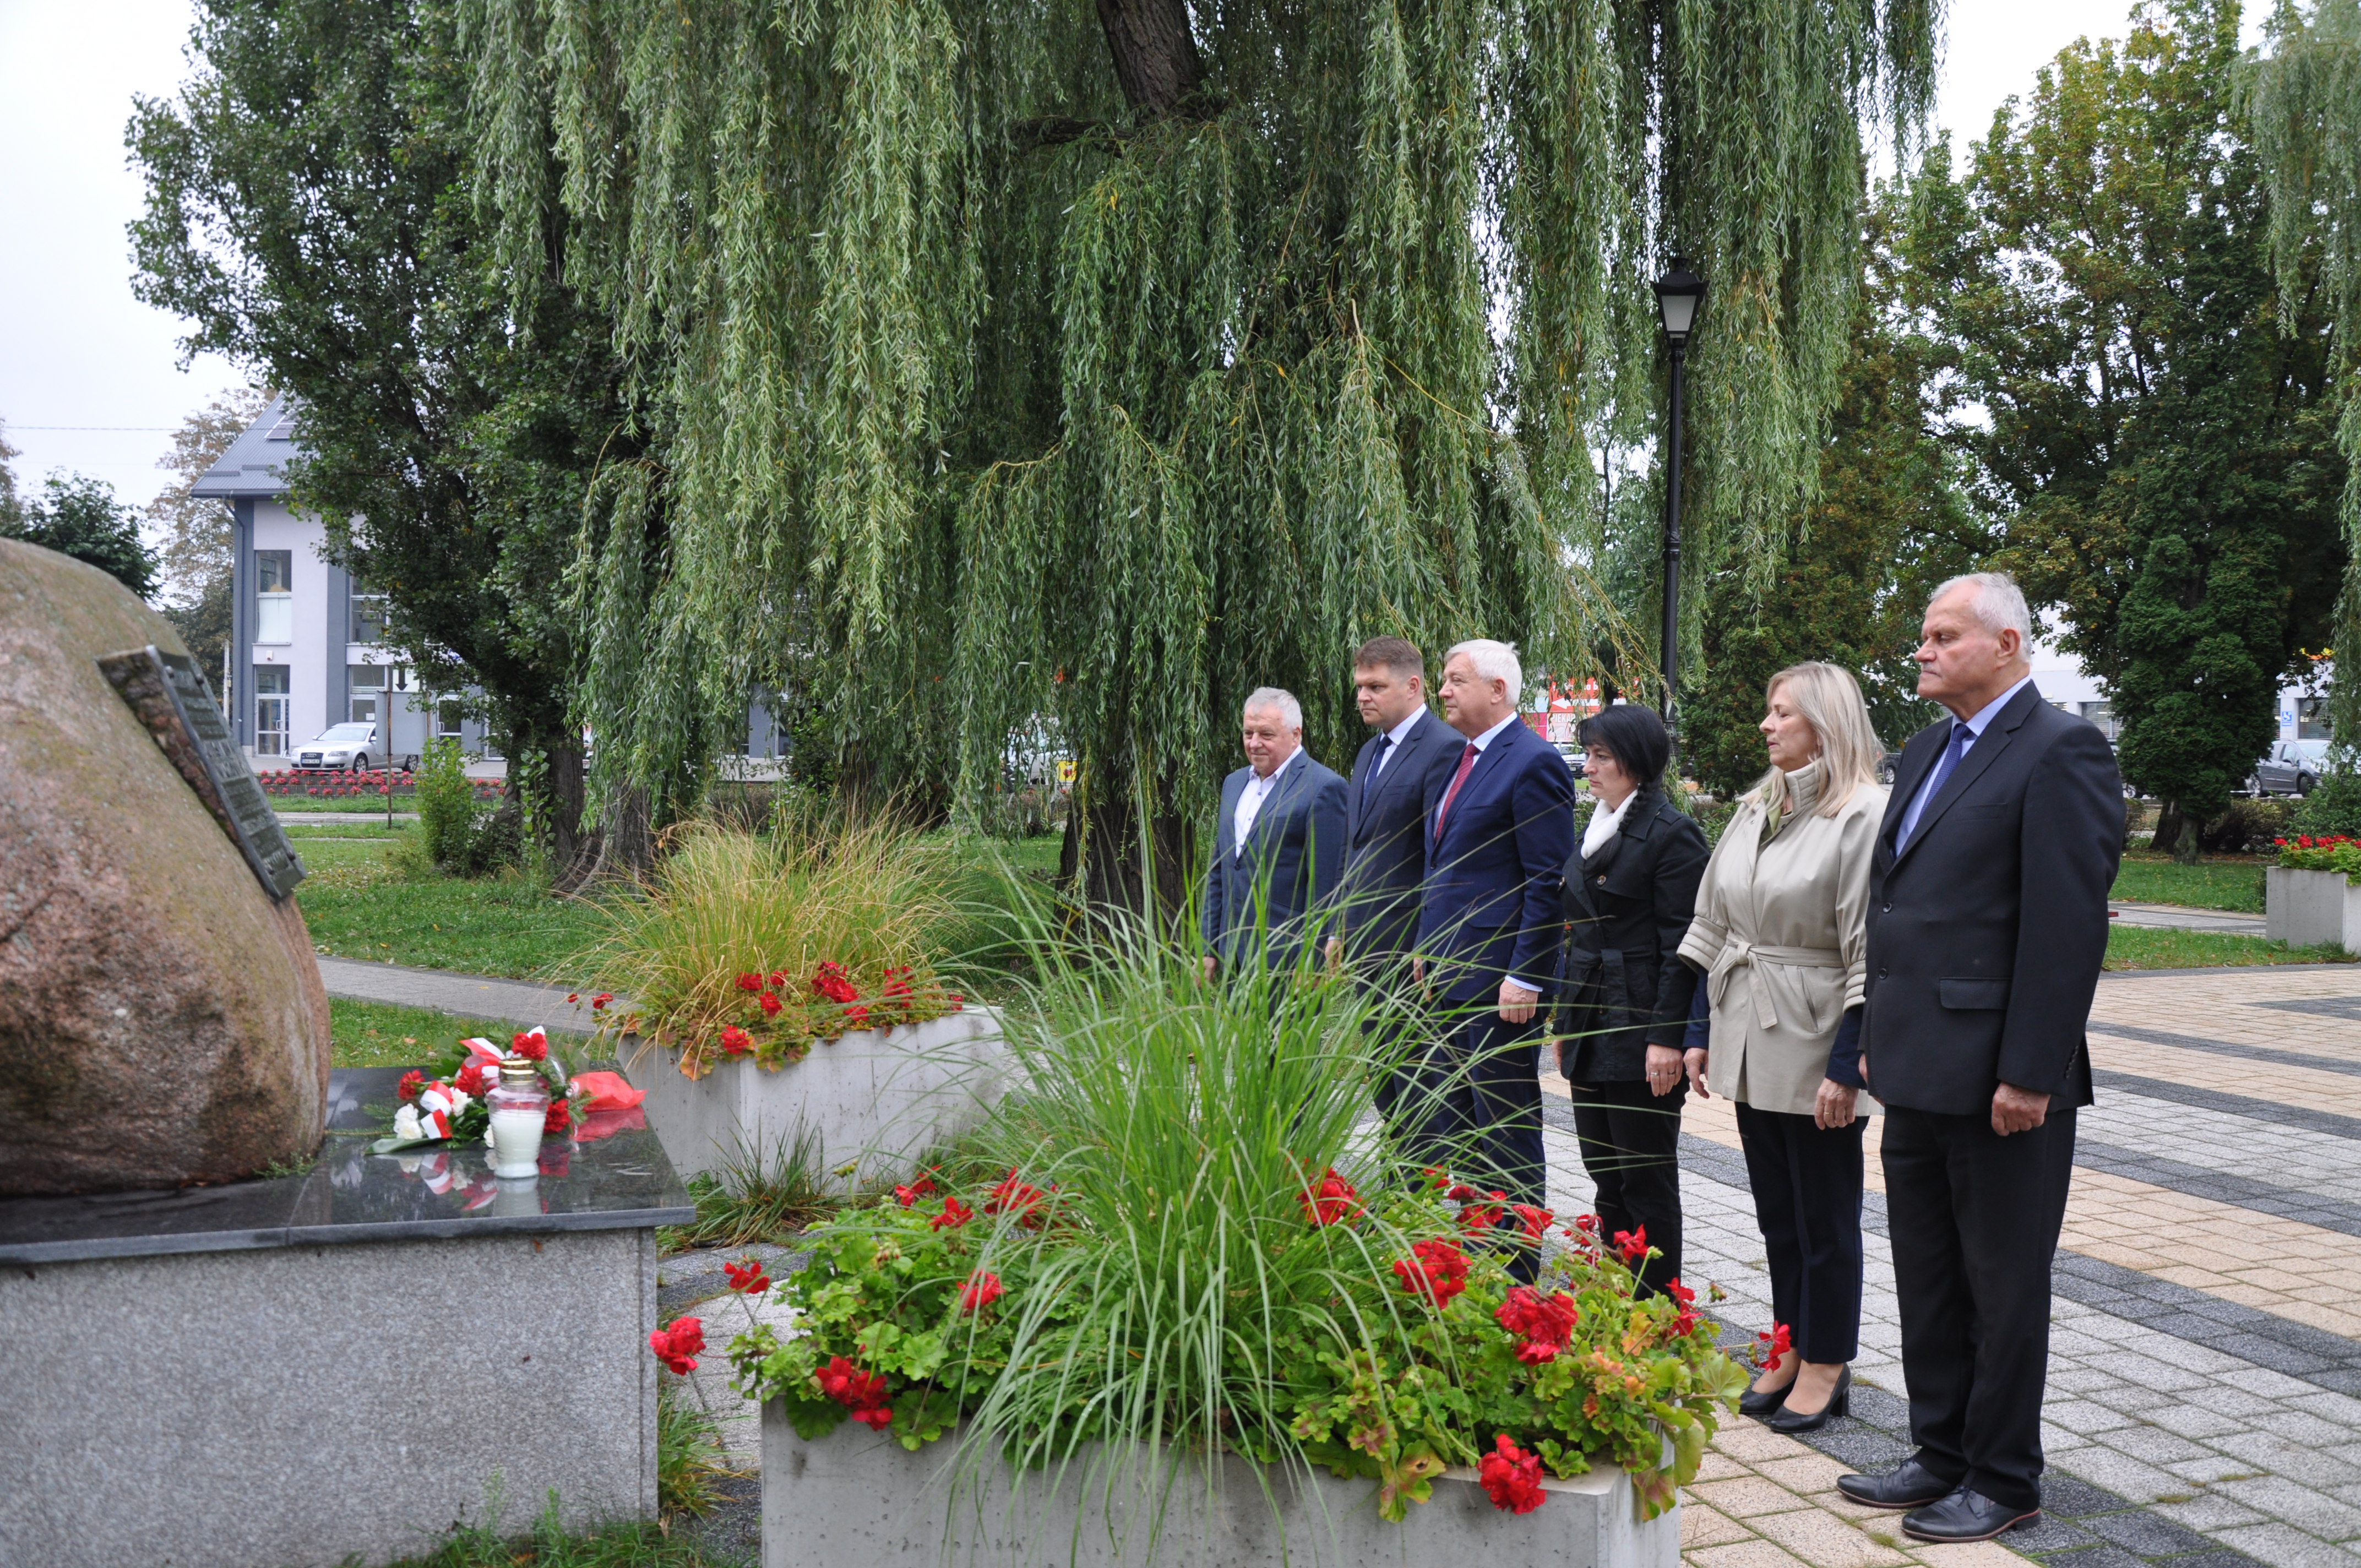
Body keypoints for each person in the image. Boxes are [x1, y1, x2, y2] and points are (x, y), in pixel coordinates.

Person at [1835, 573, 2121, 1545]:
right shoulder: (1922, 750)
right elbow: (1897, 908)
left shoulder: (2060, 748)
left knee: (2001, 1284)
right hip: (1913, 1063)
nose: (1920, 648)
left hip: (2001, 1073)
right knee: (1927, 1271)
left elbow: (2063, 924)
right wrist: (1872, 1034)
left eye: (1941, 634)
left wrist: (2030, 1071)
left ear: (2004, 644)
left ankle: (2002, 1476)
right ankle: (1939, 1451)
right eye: (1922, 633)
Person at [1677, 662, 1887, 1433]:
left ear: (1825, 725)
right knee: (1777, 1213)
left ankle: (1829, 1361)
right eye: (1768, 712)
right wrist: (1698, 1029)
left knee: (1826, 1217)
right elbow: (1712, 925)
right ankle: (1792, 1344)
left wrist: (1848, 1065)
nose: (1766, 726)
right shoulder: (1757, 805)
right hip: (1749, 1030)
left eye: (1782, 714)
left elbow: (1869, 949)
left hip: (1816, 1035)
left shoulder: (1863, 815)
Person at [1408, 640, 1576, 1210]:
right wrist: (1424, 949)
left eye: (1455, 680)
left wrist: (1527, 975)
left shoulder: (1533, 761)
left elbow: (1545, 881)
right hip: (1449, 975)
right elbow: (1443, 863)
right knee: (1458, 1123)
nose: (1443, 691)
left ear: (1497, 689)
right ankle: (1474, 1258)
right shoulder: (1461, 758)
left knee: (1504, 1129)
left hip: (1499, 983)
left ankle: (1513, 1266)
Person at [1554, 701, 1706, 1298]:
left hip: (1641, 1024)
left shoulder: (1672, 834)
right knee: (1604, 1172)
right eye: (1587, 755)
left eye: (1600, 756)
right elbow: (1582, 934)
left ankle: (1658, 1304)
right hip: (1591, 1021)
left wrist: (1667, 1036)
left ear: (1636, 762)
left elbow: (1684, 949)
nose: (1588, 768)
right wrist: (1565, 1023)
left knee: (1645, 1174)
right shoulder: (1597, 825)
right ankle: (1621, 1297)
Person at [1330, 638, 1467, 1112]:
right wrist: (1338, 927)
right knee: (1384, 1078)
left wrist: (1428, 941)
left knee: (1419, 1082)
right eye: (1360, 687)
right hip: (1367, 946)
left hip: (1411, 949)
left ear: (1413, 685)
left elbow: (1440, 854)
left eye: (1375, 686)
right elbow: (1357, 845)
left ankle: (1420, 1184)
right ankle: (1396, 1181)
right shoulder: (1369, 753)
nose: (1363, 696)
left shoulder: (1445, 748)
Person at [1201, 688, 1350, 979]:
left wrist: (1317, 955)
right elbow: (1221, 870)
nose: (1254, 743)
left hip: (1289, 960)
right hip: (1233, 957)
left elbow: (1329, 882)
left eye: (1266, 735)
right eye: (1248, 733)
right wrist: (1208, 947)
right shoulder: (1233, 784)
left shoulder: (1323, 788)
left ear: (1296, 735)